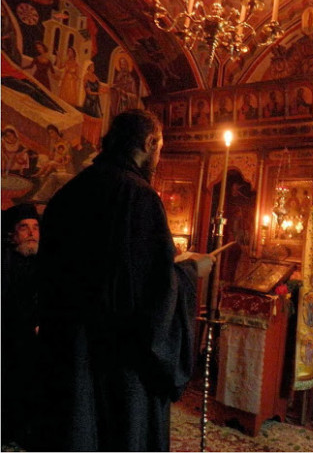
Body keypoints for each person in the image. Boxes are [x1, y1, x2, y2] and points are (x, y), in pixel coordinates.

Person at [35, 109, 215, 451]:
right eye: (160, 149)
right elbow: (152, 293)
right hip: (118, 365)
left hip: (68, 353)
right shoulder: (139, 197)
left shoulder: (68, 193)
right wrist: (192, 271)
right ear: (149, 143)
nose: (158, 160)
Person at [1, 203, 41, 450]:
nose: (31, 233)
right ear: (13, 234)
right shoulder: (5, 264)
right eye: (24, 228)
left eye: (35, 228)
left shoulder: (46, 264)